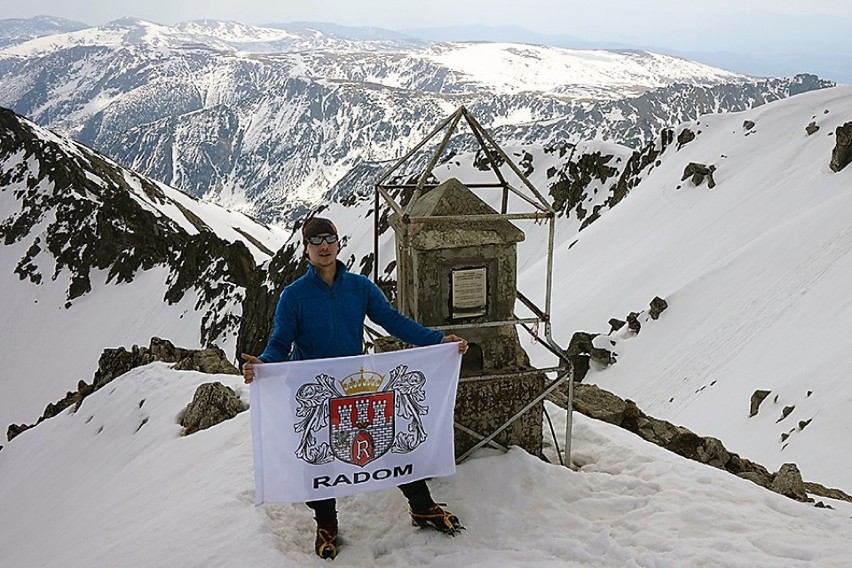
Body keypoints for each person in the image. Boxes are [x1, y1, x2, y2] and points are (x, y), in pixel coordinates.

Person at [242, 216, 468, 560]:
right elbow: (280, 341)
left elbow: (392, 321)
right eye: (315, 241)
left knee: (387, 441)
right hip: (314, 392)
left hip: (354, 387)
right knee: (318, 457)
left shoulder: (360, 288)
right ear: (306, 250)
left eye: (329, 238)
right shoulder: (294, 296)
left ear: (337, 242)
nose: (323, 246)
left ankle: (422, 506)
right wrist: (265, 365)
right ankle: (326, 525)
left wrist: (438, 342)